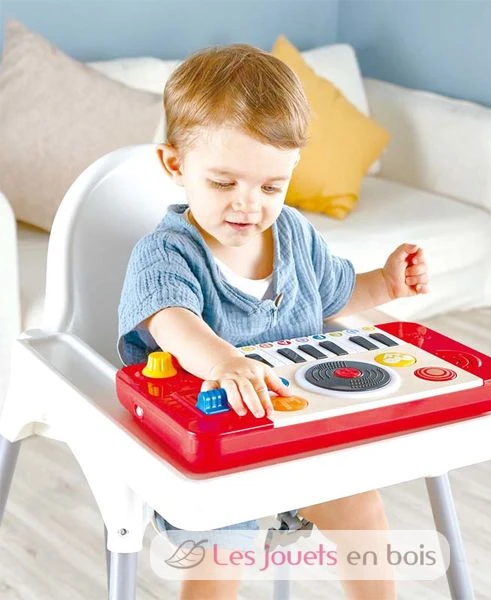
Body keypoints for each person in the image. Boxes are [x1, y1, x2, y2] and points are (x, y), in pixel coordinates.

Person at [118, 43, 429, 600]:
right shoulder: (165, 254)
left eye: (270, 186)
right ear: (175, 165)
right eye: (223, 183)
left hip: (297, 438)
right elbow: (172, 321)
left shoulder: (294, 234)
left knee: (362, 506)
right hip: (209, 453)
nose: (249, 205)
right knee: (223, 546)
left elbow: (334, 294)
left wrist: (385, 283)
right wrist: (225, 362)